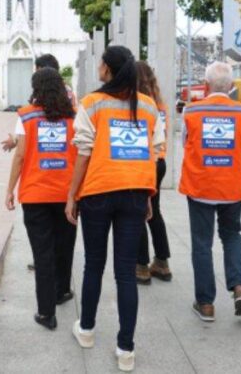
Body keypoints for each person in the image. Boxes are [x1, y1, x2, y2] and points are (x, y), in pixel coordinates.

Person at [66, 45, 163, 373]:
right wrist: (149, 195)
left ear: (107, 68)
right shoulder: (148, 107)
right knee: (125, 273)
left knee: (93, 265)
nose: (99, 66)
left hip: (98, 192)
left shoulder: (92, 103)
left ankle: (88, 330)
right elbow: (152, 153)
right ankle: (126, 349)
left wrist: (72, 195)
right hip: (135, 193)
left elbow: (83, 152)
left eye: (101, 62)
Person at [179, 61, 241, 323]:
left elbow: (185, 142)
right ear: (232, 87)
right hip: (233, 186)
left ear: (207, 85)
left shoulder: (191, 111)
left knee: (202, 243)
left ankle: (206, 304)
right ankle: (239, 288)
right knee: (232, 235)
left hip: (201, 185)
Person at [5, 67, 77, 330]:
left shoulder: (25, 116)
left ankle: (47, 313)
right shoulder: (73, 117)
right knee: (63, 246)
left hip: (35, 194)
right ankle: (61, 292)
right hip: (66, 194)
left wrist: (10, 189)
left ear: (35, 88)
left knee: (42, 253)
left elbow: (20, 156)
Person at [135, 61, 172, 284]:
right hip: (160, 162)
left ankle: (141, 266)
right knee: (154, 211)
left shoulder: (138, 106)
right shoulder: (160, 106)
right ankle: (162, 262)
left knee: (138, 211)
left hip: (142, 162)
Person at [1, 54, 76, 153]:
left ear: (42, 71)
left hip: (44, 149)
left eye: (36, 70)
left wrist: (16, 140)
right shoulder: (68, 92)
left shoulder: (42, 95)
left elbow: (35, 127)